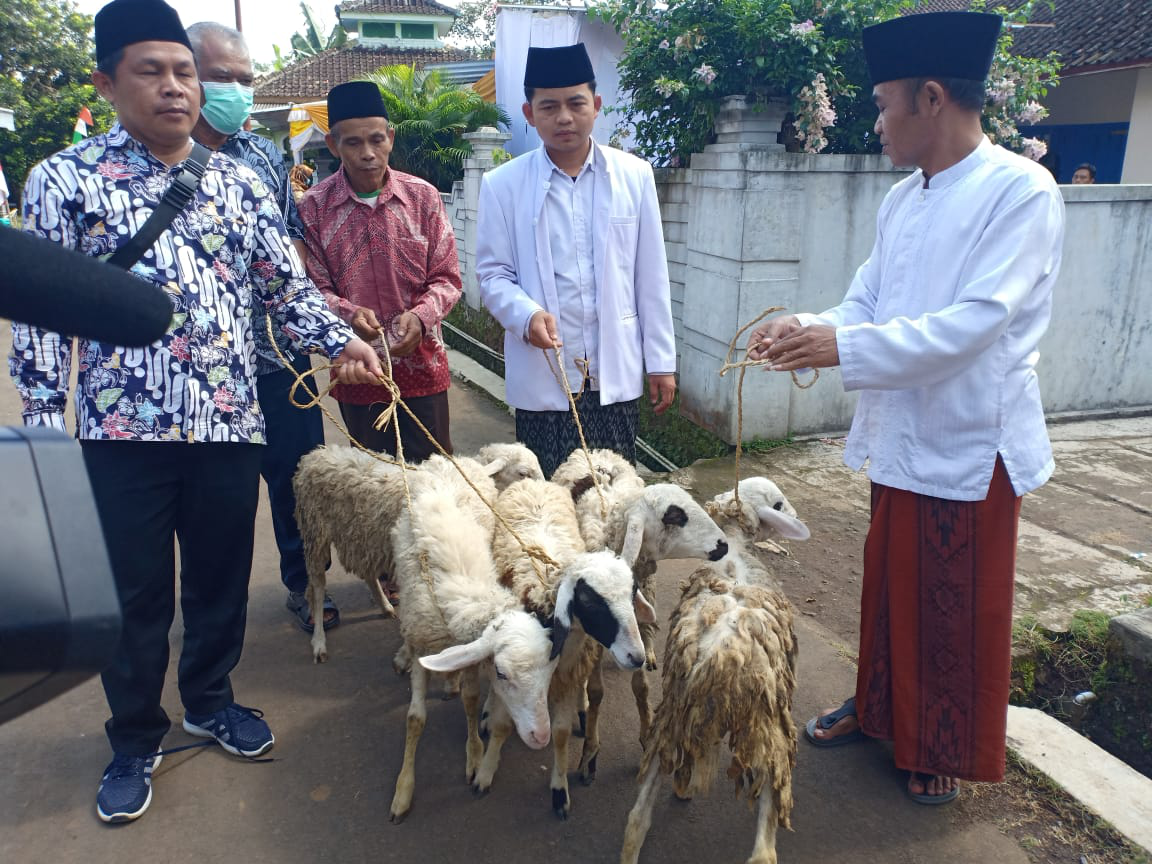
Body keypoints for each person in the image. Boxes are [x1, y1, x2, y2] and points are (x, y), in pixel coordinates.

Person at [8, 0, 383, 824]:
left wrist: (337, 340)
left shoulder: (239, 182)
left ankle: (211, 700)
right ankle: (135, 735)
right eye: (152, 71)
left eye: (184, 71)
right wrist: (41, 436)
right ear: (107, 81)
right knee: (137, 596)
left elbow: (285, 288)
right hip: (119, 434)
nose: (175, 88)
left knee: (216, 581)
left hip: (226, 424)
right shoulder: (62, 182)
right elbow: (39, 317)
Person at [747, 11, 1064, 804]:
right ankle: (884, 709)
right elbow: (868, 301)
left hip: (968, 436)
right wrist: (811, 327)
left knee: (954, 602)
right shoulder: (903, 200)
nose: (878, 122)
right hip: (902, 427)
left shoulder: (1020, 191)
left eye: (885, 105)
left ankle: (940, 746)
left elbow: (974, 326)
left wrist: (841, 348)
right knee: (890, 583)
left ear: (932, 98)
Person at [186, 21, 335, 634]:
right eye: (221, 77)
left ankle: (306, 583)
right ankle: (211, 617)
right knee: (212, 502)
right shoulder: (146, 162)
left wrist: (330, 331)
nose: (236, 92)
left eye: (245, 80)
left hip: (278, 352)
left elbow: (288, 249)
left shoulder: (263, 157)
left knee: (298, 478)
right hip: (201, 369)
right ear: (180, 72)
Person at [476, 44, 677, 478]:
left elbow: (651, 275)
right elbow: (493, 275)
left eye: (575, 103)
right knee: (548, 498)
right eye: (549, 106)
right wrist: (526, 315)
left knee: (615, 492)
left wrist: (661, 361)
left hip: (613, 371)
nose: (564, 117)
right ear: (530, 114)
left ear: (596, 106)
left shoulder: (634, 176)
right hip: (545, 372)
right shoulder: (502, 185)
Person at [299, 81, 462, 464]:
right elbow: (311, 288)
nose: (368, 153)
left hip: (424, 367)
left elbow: (448, 277)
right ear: (333, 144)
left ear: (390, 137)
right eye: (353, 143)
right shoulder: (314, 208)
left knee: (435, 482)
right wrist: (348, 314)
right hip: (356, 371)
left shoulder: (423, 197)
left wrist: (421, 318)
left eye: (376, 140)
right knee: (373, 486)